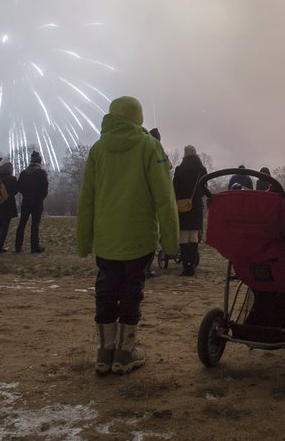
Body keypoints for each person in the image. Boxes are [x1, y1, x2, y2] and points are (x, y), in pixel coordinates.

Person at [77, 96, 179, 376]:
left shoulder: (98, 149)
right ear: (138, 117)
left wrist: (84, 239)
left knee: (106, 290)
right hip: (139, 237)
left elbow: (87, 198)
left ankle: (104, 351)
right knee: (133, 291)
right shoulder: (149, 146)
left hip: (106, 239)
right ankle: (125, 352)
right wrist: (171, 241)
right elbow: (164, 197)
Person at [172, 145, 208, 276]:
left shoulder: (179, 169)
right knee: (193, 236)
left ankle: (185, 265)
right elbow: (204, 189)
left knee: (183, 236)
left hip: (182, 206)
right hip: (196, 206)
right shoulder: (201, 170)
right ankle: (192, 265)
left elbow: (174, 188)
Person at [15, 151, 49, 253]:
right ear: (39, 161)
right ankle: (34, 246)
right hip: (37, 202)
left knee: (22, 224)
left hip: (26, 201)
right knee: (35, 225)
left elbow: (19, 187)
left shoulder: (24, 173)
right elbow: (45, 188)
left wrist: (26, 195)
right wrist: (40, 198)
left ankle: (18, 246)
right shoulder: (41, 173)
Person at [0, 162, 19, 253]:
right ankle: (0, 246)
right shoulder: (12, 179)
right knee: (4, 226)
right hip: (7, 205)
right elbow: (15, 191)